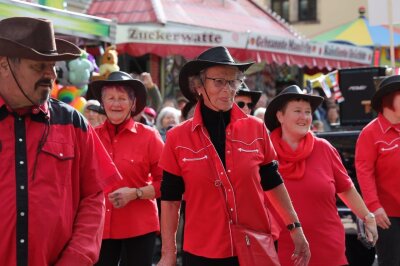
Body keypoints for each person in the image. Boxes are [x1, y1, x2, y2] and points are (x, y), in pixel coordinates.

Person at [157, 46, 310, 266]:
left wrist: (295, 228)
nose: (228, 89)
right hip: (202, 250)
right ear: (199, 86)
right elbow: (170, 199)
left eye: (233, 82)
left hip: (253, 247)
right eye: (219, 81)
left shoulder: (256, 129)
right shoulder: (177, 137)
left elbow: (273, 181)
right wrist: (168, 252)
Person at [0, 17, 122, 265]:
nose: (51, 74)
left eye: (53, 65)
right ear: (4, 65)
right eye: (39, 66)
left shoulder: (73, 122)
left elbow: (94, 197)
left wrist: (76, 258)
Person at [264, 85, 378, 266]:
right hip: (283, 250)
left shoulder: (324, 148)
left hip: (328, 248)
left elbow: (346, 189)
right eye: (297, 111)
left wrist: (367, 216)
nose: (304, 117)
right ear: (280, 116)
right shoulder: (264, 153)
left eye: (308, 112)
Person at [88, 71, 164, 266]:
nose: (116, 104)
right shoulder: (90, 137)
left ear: (132, 104)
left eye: (122, 98)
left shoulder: (149, 136)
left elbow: (168, 183)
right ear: (102, 103)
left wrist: (136, 193)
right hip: (99, 227)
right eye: (110, 98)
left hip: (139, 228)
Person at [355, 75, 400, 266]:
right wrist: (374, 206)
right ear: (388, 100)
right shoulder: (370, 133)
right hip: (388, 216)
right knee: (391, 261)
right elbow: (364, 172)